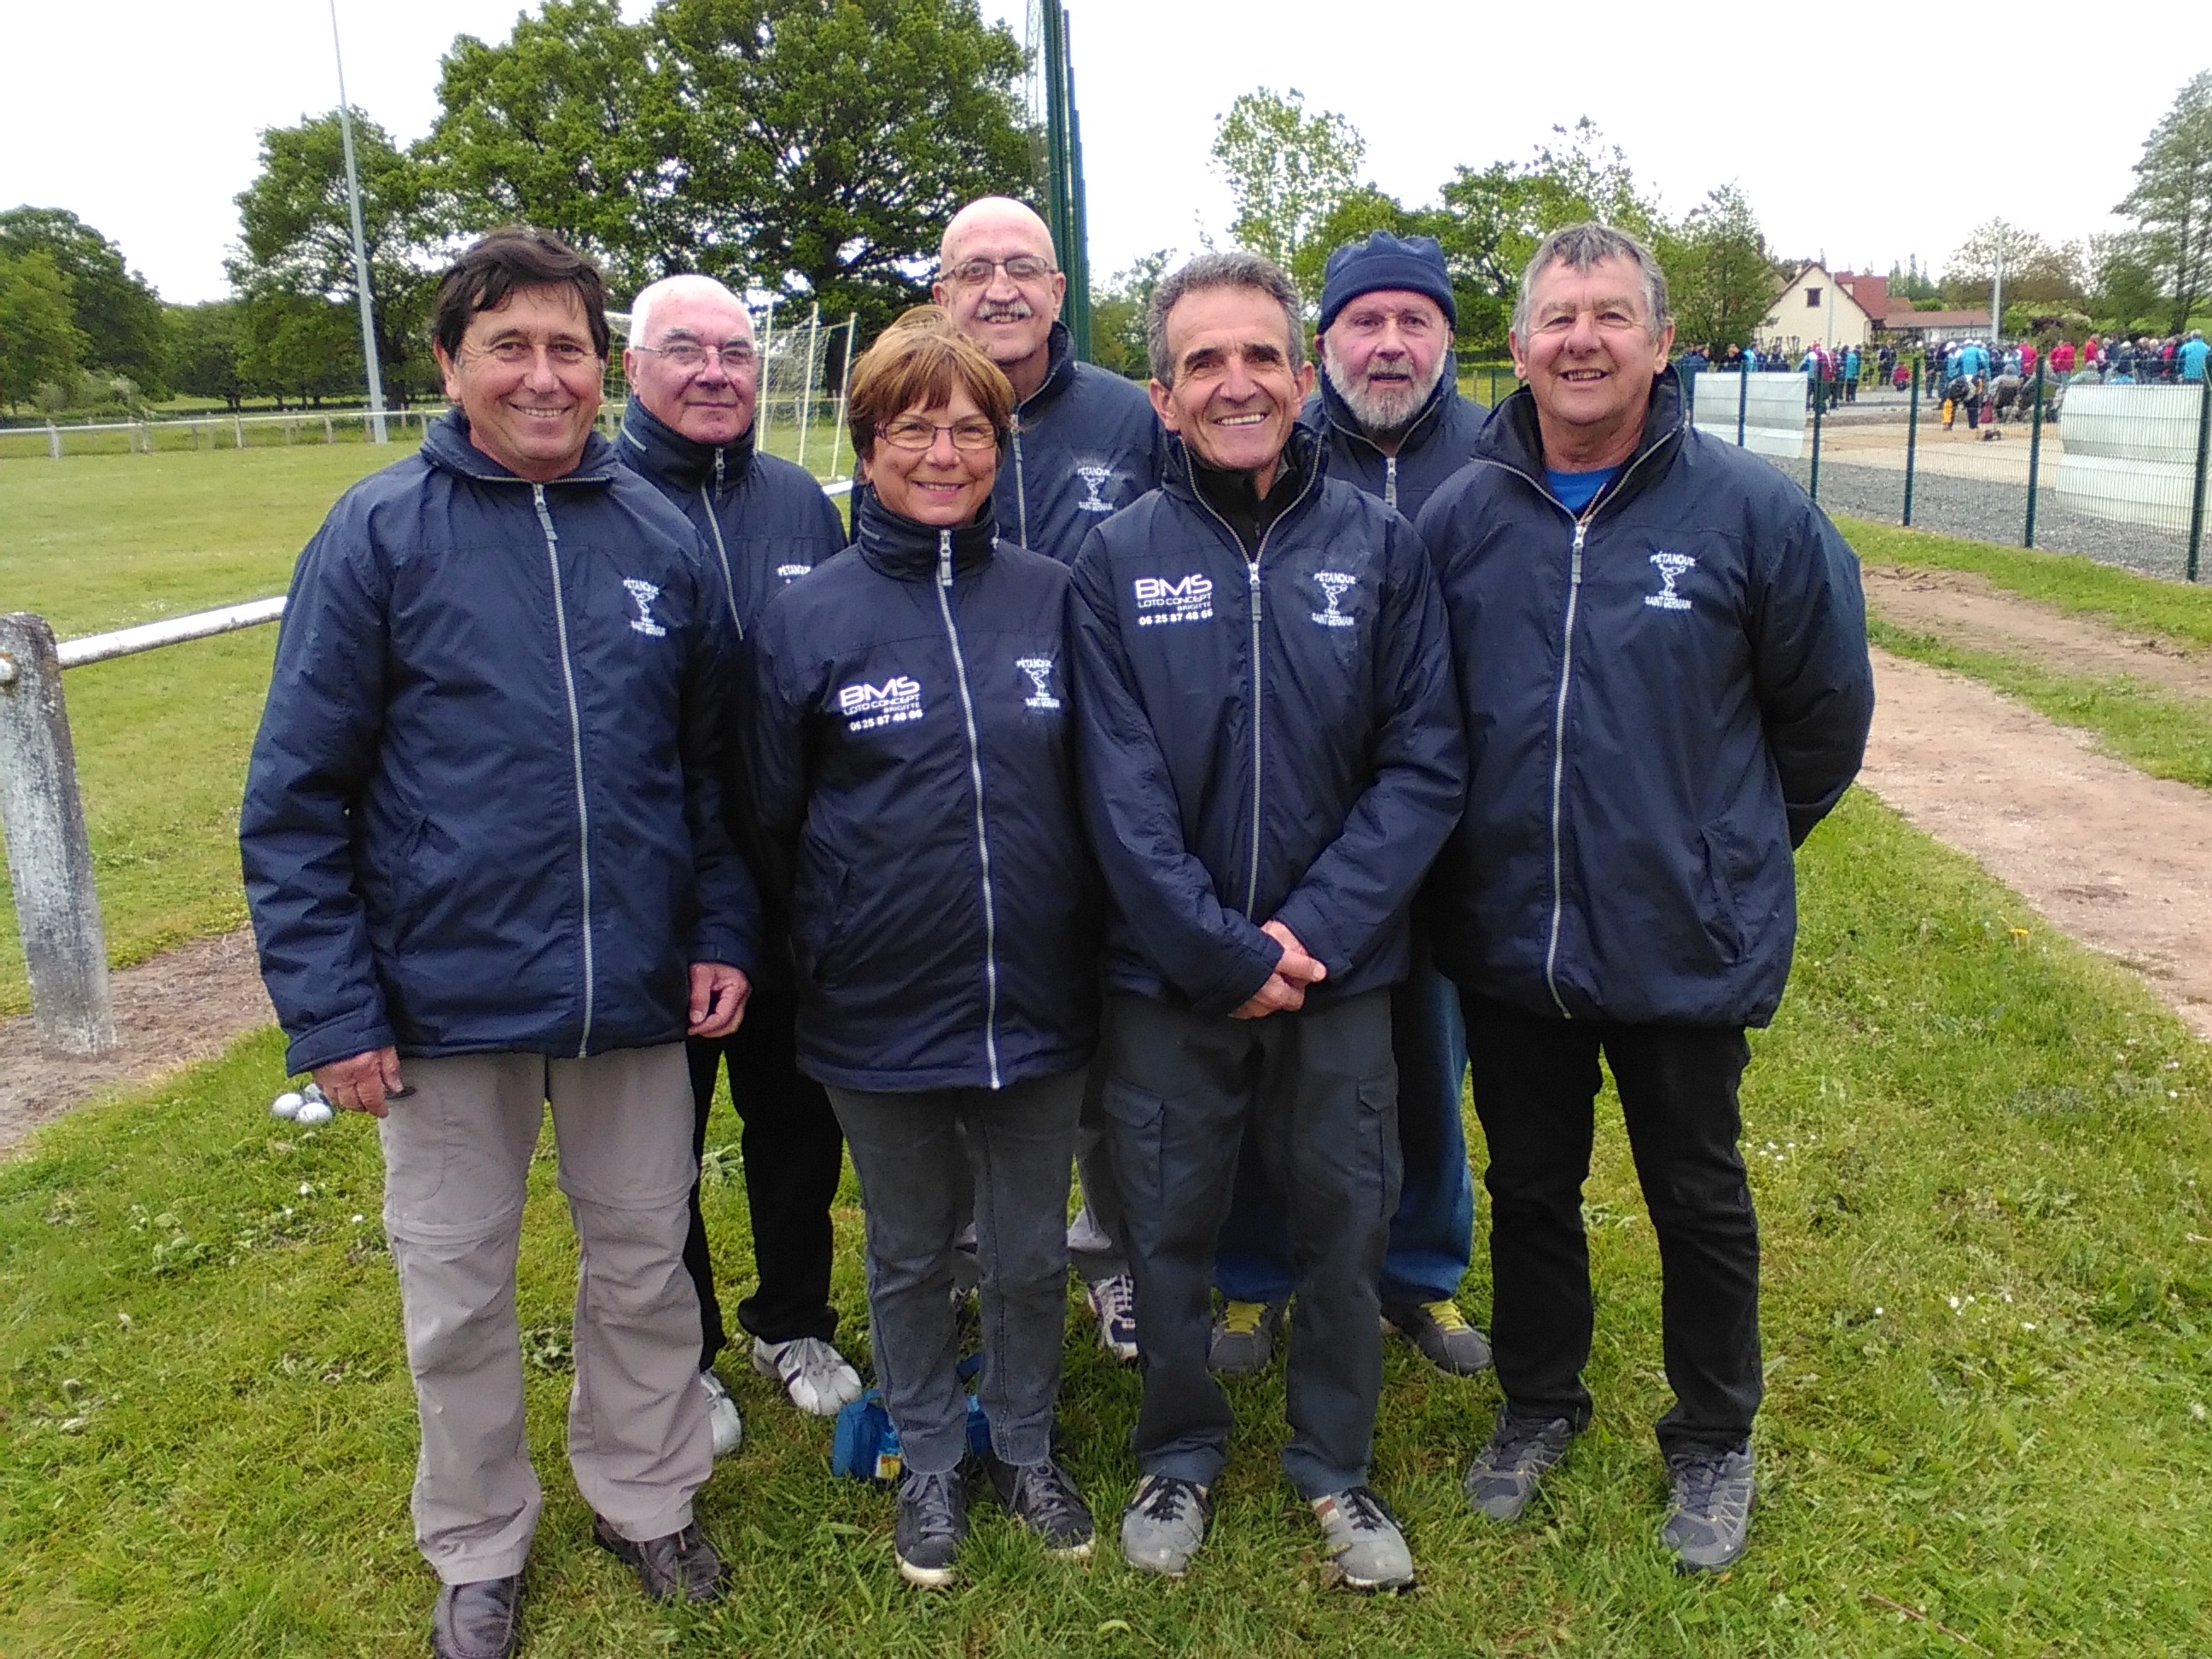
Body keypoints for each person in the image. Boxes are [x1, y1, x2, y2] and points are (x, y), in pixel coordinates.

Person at [240, 227, 756, 1659]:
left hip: (632, 996)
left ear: (606, 367)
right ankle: (476, 1542)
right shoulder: (378, 531)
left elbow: (704, 775)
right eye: (509, 347)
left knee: (647, 1263)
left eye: (567, 347)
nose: (543, 375)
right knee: (458, 1291)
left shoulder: (657, 534)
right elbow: (296, 797)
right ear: (453, 363)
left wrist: (716, 925)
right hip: (441, 998)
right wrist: (334, 1007)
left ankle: (646, 1496)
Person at [1415, 221, 1873, 1574]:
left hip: (1682, 931)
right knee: (1533, 1184)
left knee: (1696, 1187)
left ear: (1662, 342)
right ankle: (1539, 1400)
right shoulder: (1461, 519)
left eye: (1611, 316)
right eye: (1558, 317)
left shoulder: (1751, 514)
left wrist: (1725, 844)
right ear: (1524, 342)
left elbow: (1824, 718)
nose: (1581, 340)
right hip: (1511, 934)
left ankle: (1714, 1433)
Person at [1069, 251, 1465, 1589]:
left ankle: (1335, 1472)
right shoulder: (1111, 560)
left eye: (1259, 357)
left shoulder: (1382, 547)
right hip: (1168, 977)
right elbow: (1116, 793)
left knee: (1344, 1227)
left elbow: (1425, 766)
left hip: (1342, 973)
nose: (1234, 383)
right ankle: (1178, 1454)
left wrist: (1311, 934)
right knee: (1168, 1231)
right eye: (1202, 363)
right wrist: (1218, 950)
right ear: (1164, 396)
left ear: (1302, 378)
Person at [744, 309, 1103, 1588]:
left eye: (969, 427)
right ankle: (935, 1461)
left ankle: (1025, 1442)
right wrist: (841, 932)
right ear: (868, 444)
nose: (942, 453)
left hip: (1041, 1000)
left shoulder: (1059, 602)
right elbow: (772, 816)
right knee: (906, 1248)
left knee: (1022, 1249)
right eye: (913, 429)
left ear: (1001, 447)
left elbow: (1104, 793)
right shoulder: (809, 618)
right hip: (876, 1007)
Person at [1206, 228, 1491, 1382]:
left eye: (1411, 321)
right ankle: (1252, 1276)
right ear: (1322, 343)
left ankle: (1418, 1272)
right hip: (1292, 820)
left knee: (1428, 1060)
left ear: (1448, 339)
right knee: (1262, 1063)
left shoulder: (1497, 456)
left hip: (1443, 832)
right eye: (1362, 323)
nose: (1386, 343)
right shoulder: (1275, 446)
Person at [615, 274, 865, 1442]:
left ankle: (793, 1318)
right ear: (633, 369)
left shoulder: (799, 505)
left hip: (792, 882)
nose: (715, 372)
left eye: (735, 352)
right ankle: (684, 1349)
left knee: (796, 1122)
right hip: (652, 885)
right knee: (656, 1146)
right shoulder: (597, 499)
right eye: (684, 351)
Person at [929, 195, 1165, 1363]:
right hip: (966, 796)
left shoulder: (1129, 417)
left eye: (1024, 266)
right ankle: (970, 1261)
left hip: (1113, 789)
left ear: (1061, 290)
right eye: (974, 270)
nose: (1001, 288)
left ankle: (1112, 1256)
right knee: (976, 1037)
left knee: (1116, 1052)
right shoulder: (916, 412)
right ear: (942, 294)